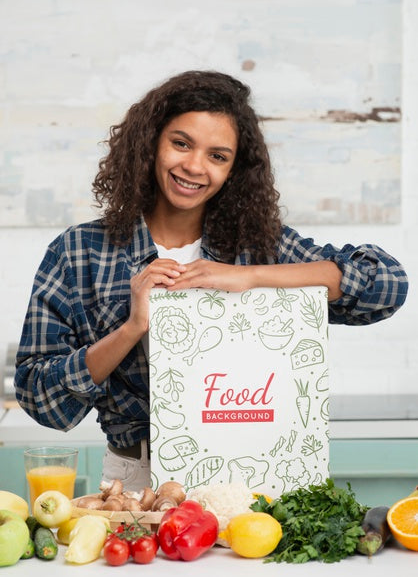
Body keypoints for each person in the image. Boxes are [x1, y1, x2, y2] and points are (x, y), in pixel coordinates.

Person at [14, 70, 408, 491]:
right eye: (181, 143)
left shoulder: (259, 246)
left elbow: (386, 283)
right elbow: (41, 398)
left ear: (234, 170)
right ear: (150, 143)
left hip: (256, 478)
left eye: (218, 156)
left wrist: (250, 277)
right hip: (137, 483)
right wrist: (131, 329)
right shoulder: (80, 251)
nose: (194, 166)